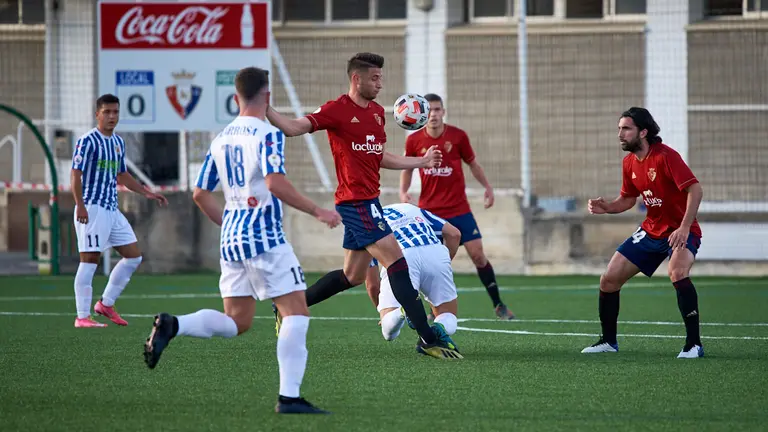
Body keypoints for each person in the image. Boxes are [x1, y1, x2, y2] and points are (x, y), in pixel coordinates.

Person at [142, 67, 341, 414]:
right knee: (296, 312)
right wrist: (317, 211)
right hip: (264, 236)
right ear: (267, 97)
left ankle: (175, 325)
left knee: (238, 321)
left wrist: (230, 222)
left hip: (231, 238)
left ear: (236, 98)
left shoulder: (221, 138)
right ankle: (289, 397)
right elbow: (275, 183)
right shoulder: (266, 134)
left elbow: (201, 193)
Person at [266, 52, 461, 360]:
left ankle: (285, 304)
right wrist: (263, 106)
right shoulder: (336, 110)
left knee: (352, 276)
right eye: (375, 78)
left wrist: (420, 161)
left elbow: (380, 156)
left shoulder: (376, 113)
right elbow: (292, 128)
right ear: (356, 79)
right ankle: (427, 337)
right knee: (397, 262)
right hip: (354, 202)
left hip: (371, 201)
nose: (380, 84)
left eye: (381, 77)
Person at [582, 107, 704, 359]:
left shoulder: (666, 157)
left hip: (681, 230)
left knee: (678, 272)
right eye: (619, 128)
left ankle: (694, 345)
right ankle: (608, 341)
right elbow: (627, 200)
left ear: (643, 131)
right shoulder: (629, 162)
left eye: (626, 128)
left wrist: (683, 228)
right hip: (651, 230)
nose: (620, 134)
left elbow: (695, 190)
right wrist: (607, 207)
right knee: (609, 280)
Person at [399, 93, 515, 320]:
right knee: (435, 263)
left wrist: (488, 187)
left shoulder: (458, 136)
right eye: (429, 110)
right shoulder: (414, 140)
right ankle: (434, 310)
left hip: (459, 210)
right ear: (424, 114)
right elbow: (408, 168)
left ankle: (498, 305)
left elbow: (472, 163)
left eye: (437, 109)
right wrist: (403, 192)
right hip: (431, 213)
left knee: (479, 256)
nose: (433, 114)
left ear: (443, 111)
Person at [70, 94, 168, 328]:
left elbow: (122, 175)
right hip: (92, 208)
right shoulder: (88, 141)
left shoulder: (117, 143)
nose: (112, 116)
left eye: (115, 112)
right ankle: (82, 316)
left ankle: (105, 304)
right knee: (90, 260)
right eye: (107, 112)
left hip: (112, 209)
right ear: (97, 114)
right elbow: (75, 175)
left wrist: (147, 192)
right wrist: (80, 205)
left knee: (134, 257)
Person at [363, 203, 461, 357]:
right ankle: (437, 329)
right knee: (448, 317)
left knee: (389, 333)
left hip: (400, 256)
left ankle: (404, 310)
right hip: (435, 251)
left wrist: (381, 309)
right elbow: (454, 234)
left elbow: (372, 285)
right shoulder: (408, 207)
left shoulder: (363, 222)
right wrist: (444, 263)